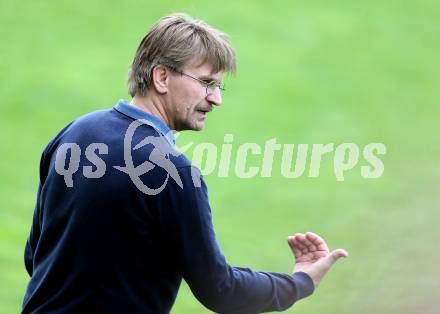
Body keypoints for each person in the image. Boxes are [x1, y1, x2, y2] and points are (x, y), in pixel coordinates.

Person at [22, 13, 348, 313]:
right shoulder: (171, 171)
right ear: (162, 77)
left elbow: (36, 255)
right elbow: (220, 289)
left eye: (219, 86)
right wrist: (300, 282)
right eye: (207, 83)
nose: (216, 99)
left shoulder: (74, 134)